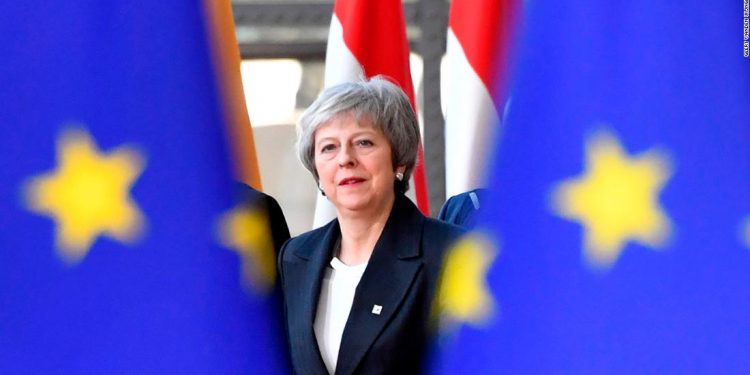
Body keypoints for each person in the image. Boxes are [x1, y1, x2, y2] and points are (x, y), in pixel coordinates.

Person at [278, 76, 463, 374]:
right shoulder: (295, 257)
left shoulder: (452, 252)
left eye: (363, 142)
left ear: (399, 161)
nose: (345, 159)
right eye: (328, 148)